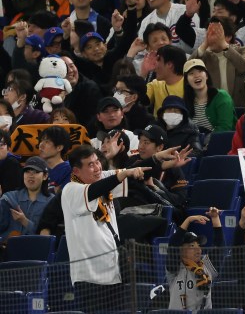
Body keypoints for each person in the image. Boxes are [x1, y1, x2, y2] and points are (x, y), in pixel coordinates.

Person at [62, 144, 148, 312]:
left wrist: (160, 160)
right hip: (90, 277)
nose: (97, 167)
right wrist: (121, 174)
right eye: (90, 164)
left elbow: (133, 173)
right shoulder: (70, 190)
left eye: (97, 162)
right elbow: (96, 190)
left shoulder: (103, 179)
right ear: (76, 171)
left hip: (114, 272)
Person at [166, 209, 224, 312]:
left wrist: (215, 218)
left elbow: (219, 247)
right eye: (192, 246)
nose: (198, 249)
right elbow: (173, 245)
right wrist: (188, 220)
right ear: (180, 250)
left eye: (199, 246)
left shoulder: (206, 266)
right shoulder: (174, 269)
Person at [0, 156, 52, 238]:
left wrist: (24, 221)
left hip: (36, 248)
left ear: (45, 176)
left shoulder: (51, 202)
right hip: (9, 248)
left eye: (36, 172)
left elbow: (47, 235)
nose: (31, 175)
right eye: (27, 171)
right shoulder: (8, 198)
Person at [183, 58, 236, 134]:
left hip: (220, 141)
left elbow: (225, 127)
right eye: (191, 73)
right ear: (186, 81)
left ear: (207, 76)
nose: (197, 76)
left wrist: (207, 141)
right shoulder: (185, 102)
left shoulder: (221, 97)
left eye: (200, 71)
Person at [146, 44, 186, 116]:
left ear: (169, 64)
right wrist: (144, 72)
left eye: (158, 59)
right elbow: (138, 100)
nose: (154, 64)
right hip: (159, 126)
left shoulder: (189, 84)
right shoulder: (155, 84)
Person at [38, 125, 72, 191]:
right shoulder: (36, 167)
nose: (41, 145)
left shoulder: (69, 169)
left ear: (59, 147)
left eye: (47, 142)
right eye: (41, 141)